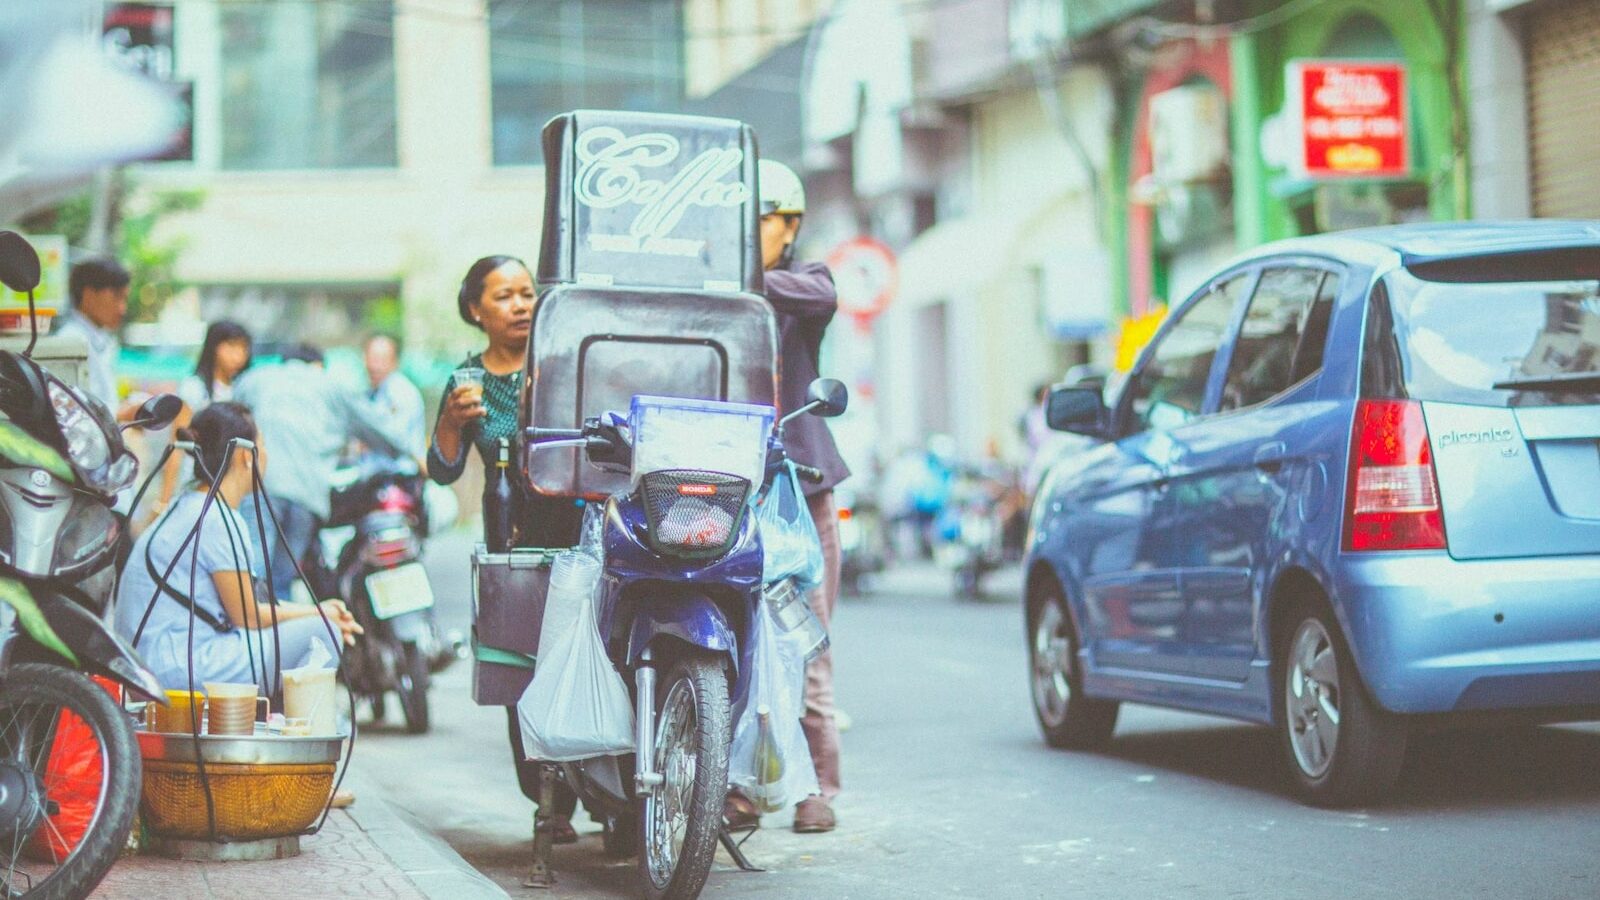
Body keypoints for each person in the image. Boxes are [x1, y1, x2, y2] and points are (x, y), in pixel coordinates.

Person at [428, 255, 586, 844]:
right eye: (504, 296)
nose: (521, 304)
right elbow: (442, 470)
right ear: (476, 310)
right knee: (522, 681)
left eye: (527, 293)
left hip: (581, 536)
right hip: (513, 547)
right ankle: (550, 802)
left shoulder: (564, 362)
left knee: (599, 663)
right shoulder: (467, 382)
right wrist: (448, 422)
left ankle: (619, 798)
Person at [742, 159, 852, 834]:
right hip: (723, 490)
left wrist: (730, 271)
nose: (748, 234)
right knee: (727, 644)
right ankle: (733, 787)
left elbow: (816, 298)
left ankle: (819, 785)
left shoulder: (806, 283)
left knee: (805, 640)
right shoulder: (705, 293)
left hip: (802, 490)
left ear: (790, 226)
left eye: (758, 221)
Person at [114, 403, 362, 694]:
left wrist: (317, 611)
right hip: (180, 667)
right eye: (263, 446)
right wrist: (319, 614)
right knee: (323, 633)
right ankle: (293, 729)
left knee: (317, 624)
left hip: (154, 662)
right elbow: (248, 616)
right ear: (246, 456)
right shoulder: (216, 519)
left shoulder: (188, 505)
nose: (266, 455)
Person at [232, 344, 412, 603]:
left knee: (251, 580)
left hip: (260, 488)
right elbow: (382, 431)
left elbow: (224, 420)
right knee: (281, 583)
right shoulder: (331, 385)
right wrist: (411, 454)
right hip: (308, 497)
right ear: (317, 365)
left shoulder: (255, 379)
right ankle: (276, 639)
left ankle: (251, 639)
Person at [154, 321, 254, 520]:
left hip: (231, 487)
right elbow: (177, 443)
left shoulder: (243, 389)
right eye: (231, 346)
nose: (238, 355)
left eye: (244, 348)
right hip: (194, 483)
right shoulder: (194, 389)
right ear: (213, 347)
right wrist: (163, 500)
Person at [57, 257, 134, 418]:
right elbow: (76, 412)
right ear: (89, 295)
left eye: (125, 299)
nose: (122, 309)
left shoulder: (100, 339)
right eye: (117, 297)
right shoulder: (70, 341)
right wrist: (123, 413)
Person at [362, 333, 426, 460]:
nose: (374, 366)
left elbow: (396, 438)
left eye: (380, 360)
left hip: (400, 476)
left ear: (394, 362)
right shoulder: (372, 391)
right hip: (375, 474)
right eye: (371, 359)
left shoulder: (401, 391)